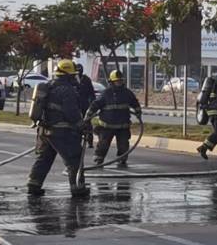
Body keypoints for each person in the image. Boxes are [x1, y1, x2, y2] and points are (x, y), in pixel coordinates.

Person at [26, 59, 90, 198]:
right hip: (62, 133)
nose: (74, 78)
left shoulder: (48, 86)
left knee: (44, 158)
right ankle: (78, 188)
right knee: (74, 159)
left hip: (44, 131)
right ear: (67, 75)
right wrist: (82, 126)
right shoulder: (67, 90)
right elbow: (71, 112)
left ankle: (34, 185)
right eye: (73, 75)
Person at [85, 70, 142, 167]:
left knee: (123, 144)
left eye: (120, 81)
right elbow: (96, 105)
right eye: (117, 81)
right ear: (111, 82)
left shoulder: (127, 93)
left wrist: (138, 111)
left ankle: (122, 158)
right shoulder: (106, 93)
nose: (119, 83)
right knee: (103, 144)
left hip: (123, 126)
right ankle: (99, 159)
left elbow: (134, 102)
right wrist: (88, 115)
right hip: (107, 126)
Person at [76, 63, 96, 148]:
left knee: (87, 123)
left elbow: (91, 93)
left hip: (85, 105)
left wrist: (92, 103)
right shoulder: (72, 79)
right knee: (76, 124)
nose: (78, 73)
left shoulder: (86, 80)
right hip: (75, 105)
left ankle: (90, 141)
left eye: (79, 71)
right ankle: (77, 142)